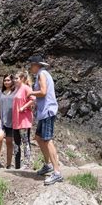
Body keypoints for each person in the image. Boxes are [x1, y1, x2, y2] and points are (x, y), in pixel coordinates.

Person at [27, 55, 63, 185]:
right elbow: (43, 95)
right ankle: (48, 165)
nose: (30, 67)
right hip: (43, 112)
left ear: (37, 65)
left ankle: (57, 172)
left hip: (48, 111)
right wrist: (35, 103)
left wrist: (31, 93)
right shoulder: (42, 74)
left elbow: (43, 92)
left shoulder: (42, 74)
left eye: (31, 65)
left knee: (47, 140)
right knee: (38, 138)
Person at [12, 71, 35, 170]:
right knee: (16, 142)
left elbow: (33, 99)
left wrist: (23, 107)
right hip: (16, 120)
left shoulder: (26, 88)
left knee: (25, 141)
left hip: (24, 120)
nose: (14, 80)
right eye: (14, 78)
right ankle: (17, 165)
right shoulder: (16, 89)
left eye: (16, 78)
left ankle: (27, 164)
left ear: (22, 79)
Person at [0, 73, 15, 170]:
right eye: (5, 80)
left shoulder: (15, 93)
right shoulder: (0, 92)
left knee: (9, 142)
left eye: (8, 80)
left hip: (12, 121)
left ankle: (9, 164)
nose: (6, 82)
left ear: (12, 81)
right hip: (1, 120)